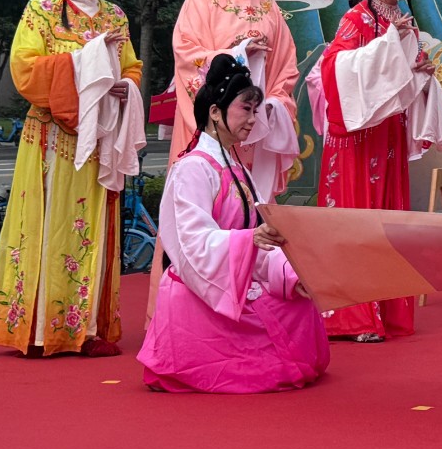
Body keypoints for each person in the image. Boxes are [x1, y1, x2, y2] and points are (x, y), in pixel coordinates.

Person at [0, 0, 142, 357]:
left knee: (91, 230)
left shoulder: (115, 16)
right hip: (52, 137)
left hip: (99, 138)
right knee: (47, 226)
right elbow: (25, 71)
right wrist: (86, 65)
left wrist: (124, 85)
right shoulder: (42, 11)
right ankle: (38, 331)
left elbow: (131, 67)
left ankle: (85, 329)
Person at [138, 55, 330, 393]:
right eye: (246, 109)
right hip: (201, 288)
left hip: (234, 276)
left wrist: (290, 275)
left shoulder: (237, 168)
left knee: (298, 305)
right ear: (215, 112)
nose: (253, 119)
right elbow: (192, 244)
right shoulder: (192, 168)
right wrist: (248, 240)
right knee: (272, 346)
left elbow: (260, 238)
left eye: (255, 110)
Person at [154, 0, 304, 318]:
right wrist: (237, 53)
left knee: (247, 217)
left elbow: (286, 72)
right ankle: (183, 314)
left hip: (252, 133)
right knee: (199, 215)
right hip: (209, 128)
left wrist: (271, 107)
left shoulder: (270, 9)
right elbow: (187, 57)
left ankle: (248, 307)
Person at [310, 0, 442, 342]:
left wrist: (420, 74)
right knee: (358, 222)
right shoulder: (356, 20)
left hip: (387, 132)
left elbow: (400, 79)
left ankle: (383, 309)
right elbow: (334, 70)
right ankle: (353, 315)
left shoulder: (404, 20)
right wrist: (387, 48)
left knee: (386, 221)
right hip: (356, 138)